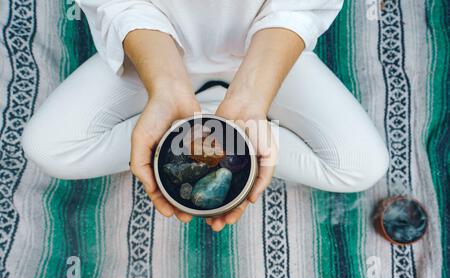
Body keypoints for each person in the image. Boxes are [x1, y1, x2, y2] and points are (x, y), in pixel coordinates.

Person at [22, 0, 390, 232]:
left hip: (263, 55)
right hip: (155, 53)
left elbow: (299, 7)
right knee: (45, 145)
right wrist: (165, 84)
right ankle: (199, 116)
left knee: (363, 165)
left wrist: (252, 96)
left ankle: (217, 118)